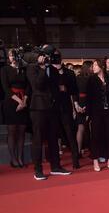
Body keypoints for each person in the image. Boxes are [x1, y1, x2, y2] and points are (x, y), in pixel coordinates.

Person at [26, 45, 72, 180]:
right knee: (38, 139)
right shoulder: (32, 68)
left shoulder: (53, 69)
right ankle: (38, 170)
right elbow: (38, 85)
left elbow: (56, 89)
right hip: (38, 108)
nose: (48, 58)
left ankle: (56, 167)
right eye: (45, 56)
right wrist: (42, 67)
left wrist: (48, 67)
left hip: (52, 108)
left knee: (53, 138)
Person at [86, 59, 109, 172]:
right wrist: (88, 114)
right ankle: (95, 160)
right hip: (96, 113)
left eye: (95, 65)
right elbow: (89, 99)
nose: (93, 67)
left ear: (101, 66)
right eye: (93, 65)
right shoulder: (91, 80)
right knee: (95, 136)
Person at [1, 49, 30, 167]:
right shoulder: (4, 69)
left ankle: (20, 158)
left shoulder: (24, 69)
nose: (11, 57)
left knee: (22, 131)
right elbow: (5, 88)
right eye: (9, 56)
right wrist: (19, 101)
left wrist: (24, 102)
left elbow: (28, 86)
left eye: (13, 55)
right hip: (11, 101)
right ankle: (13, 159)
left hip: (23, 101)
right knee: (12, 131)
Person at [52, 50, 80, 169]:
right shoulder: (48, 72)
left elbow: (74, 91)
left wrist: (75, 106)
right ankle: (56, 163)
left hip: (65, 107)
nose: (56, 58)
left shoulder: (69, 73)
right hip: (52, 107)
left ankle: (75, 161)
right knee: (54, 136)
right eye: (54, 56)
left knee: (70, 134)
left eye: (58, 56)